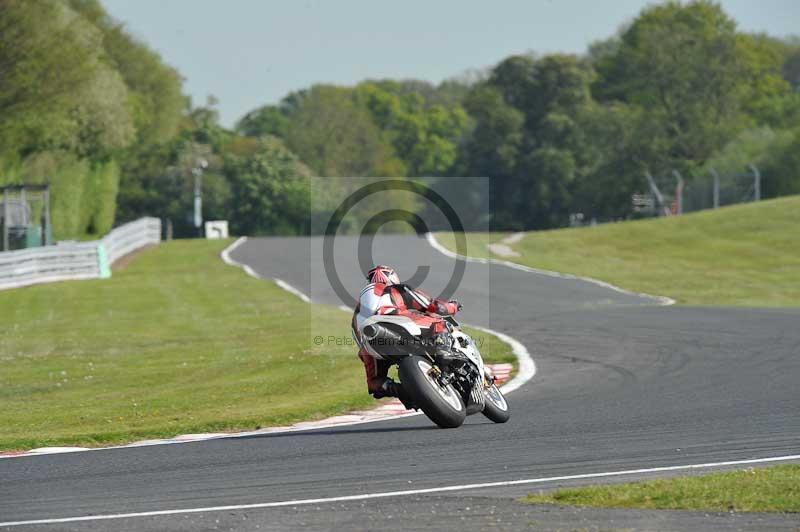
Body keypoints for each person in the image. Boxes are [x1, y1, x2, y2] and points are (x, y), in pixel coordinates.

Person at [351, 264, 461, 400]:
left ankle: (405, 393)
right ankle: (444, 357)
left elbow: (359, 341)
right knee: (438, 323)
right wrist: (453, 306)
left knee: (375, 383)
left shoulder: (358, 310)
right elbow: (434, 306)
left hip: (371, 345)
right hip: (398, 324)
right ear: (391, 276)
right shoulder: (396, 289)